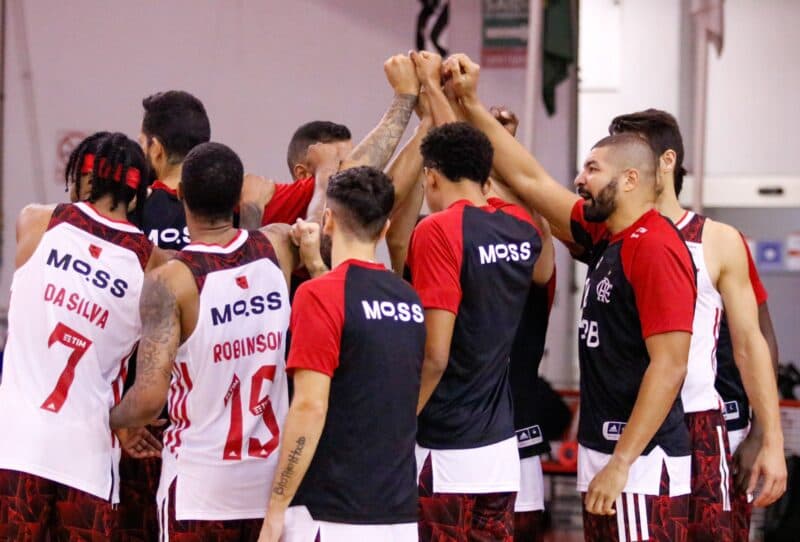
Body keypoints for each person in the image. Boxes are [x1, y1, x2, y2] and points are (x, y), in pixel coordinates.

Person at [447, 53, 699, 541]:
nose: (580, 179)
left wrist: (621, 462)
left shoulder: (655, 246)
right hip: (607, 452)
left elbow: (670, 366)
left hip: (640, 464)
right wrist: (470, 104)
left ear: (630, 179)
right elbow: (531, 181)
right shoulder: (611, 236)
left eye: (592, 168)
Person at [110, 141, 319, 541]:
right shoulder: (277, 247)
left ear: (181, 195)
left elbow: (150, 399)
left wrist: (111, 419)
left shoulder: (171, 281)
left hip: (199, 492)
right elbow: (311, 224)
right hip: (268, 491)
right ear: (237, 196)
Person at [610, 109, 786, 541]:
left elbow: (756, 339)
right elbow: (535, 187)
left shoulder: (717, 239)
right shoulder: (610, 234)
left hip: (708, 423)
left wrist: (764, 434)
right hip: (633, 425)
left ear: (665, 161)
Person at [0, 133, 165, 540]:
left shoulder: (35, 221)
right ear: (138, 194)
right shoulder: (153, 264)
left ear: (82, 179)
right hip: (87, 458)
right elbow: (151, 390)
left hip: (15, 448)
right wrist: (124, 421)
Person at [259, 166, 426, 542]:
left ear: (328, 220)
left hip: (329, 513)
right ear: (384, 229)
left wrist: (276, 507)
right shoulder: (408, 299)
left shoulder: (319, 295)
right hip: (398, 514)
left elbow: (309, 407)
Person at [409, 121, 549, 541]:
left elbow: (436, 355)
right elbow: (544, 269)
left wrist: (398, 420)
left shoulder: (437, 229)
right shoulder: (521, 229)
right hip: (500, 449)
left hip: (444, 445)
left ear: (431, 175)